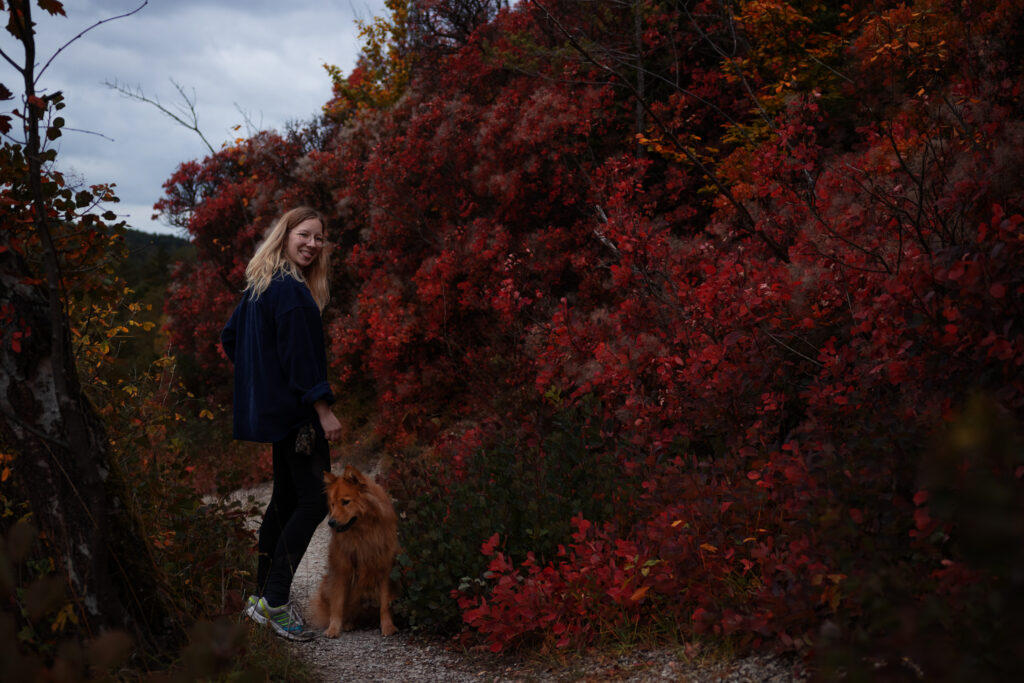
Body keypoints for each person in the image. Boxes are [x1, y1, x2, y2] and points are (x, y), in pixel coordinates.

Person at [220, 206, 342, 641]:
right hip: (298, 416)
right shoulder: (290, 291)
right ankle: (273, 601)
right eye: (304, 235)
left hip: (278, 413)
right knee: (312, 502)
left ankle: (258, 600)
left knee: (286, 502)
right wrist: (323, 410)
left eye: (318, 238)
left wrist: (262, 380)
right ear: (285, 235)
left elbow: (230, 337)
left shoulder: (261, 284)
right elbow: (302, 360)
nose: (312, 244)